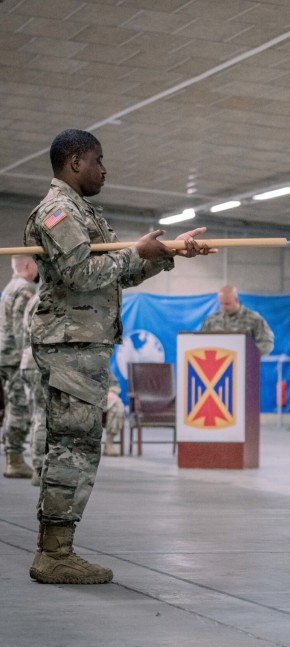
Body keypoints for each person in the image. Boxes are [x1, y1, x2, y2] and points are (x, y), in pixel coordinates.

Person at [24, 128, 212, 585]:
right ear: (74, 164)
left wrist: (166, 254)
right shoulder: (58, 211)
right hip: (69, 345)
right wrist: (135, 252)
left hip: (83, 344)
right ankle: (54, 554)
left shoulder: (82, 211)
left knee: (79, 446)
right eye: (98, 160)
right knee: (72, 449)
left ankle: (58, 548)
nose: (105, 169)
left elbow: (114, 277)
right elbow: (80, 273)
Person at [0, 254, 39, 479]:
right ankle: (14, 460)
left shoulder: (9, 286)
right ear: (28, 265)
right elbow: (21, 325)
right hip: (15, 357)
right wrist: (27, 354)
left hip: (6, 354)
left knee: (13, 405)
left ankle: (13, 457)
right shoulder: (26, 288)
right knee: (19, 407)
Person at [18, 289, 47, 486]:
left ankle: (38, 465)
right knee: (42, 416)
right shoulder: (45, 297)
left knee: (37, 414)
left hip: (28, 360)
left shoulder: (33, 299)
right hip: (39, 361)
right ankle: (39, 468)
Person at [200, 284, 275, 356]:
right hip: (217, 365)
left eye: (227, 304)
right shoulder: (211, 320)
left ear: (236, 300)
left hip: (244, 365)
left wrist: (247, 353)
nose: (223, 307)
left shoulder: (254, 319)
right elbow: (201, 341)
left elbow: (267, 343)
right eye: (221, 304)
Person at [103, 370, 125, 456]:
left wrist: (112, 392)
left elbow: (114, 384)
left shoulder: (100, 361)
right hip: (81, 395)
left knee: (117, 406)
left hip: (102, 396)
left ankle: (109, 443)